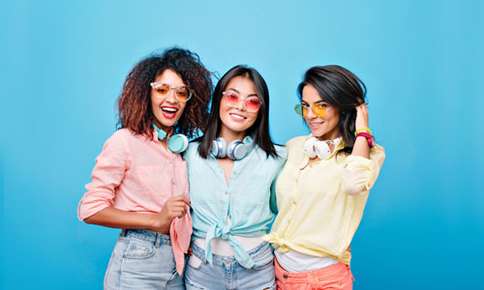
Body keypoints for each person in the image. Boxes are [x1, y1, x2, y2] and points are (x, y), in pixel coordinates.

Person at [77, 47, 212, 290]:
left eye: (182, 93)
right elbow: (90, 210)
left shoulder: (181, 149)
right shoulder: (124, 141)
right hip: (138, 260)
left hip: (178, 263)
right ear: (145, 93)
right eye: (162, 89)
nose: (172, 99)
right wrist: (154, 220)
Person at [266, 65, 385, 290]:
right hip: (278, 273)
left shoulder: (368, 154)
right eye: (305, 106)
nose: (311, 115)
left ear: (343, 106)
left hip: (323, 280)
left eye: (321, 106)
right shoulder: (296, 146)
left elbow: (353, 184)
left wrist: (362, 130)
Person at [183, 65, 286, 290]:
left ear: (261, 109)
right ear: (218, 99)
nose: (240, 106)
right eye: (232, 96)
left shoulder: (278, 158)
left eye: (252, 101)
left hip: (256, 267)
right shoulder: (188, 154)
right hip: (203, 267)